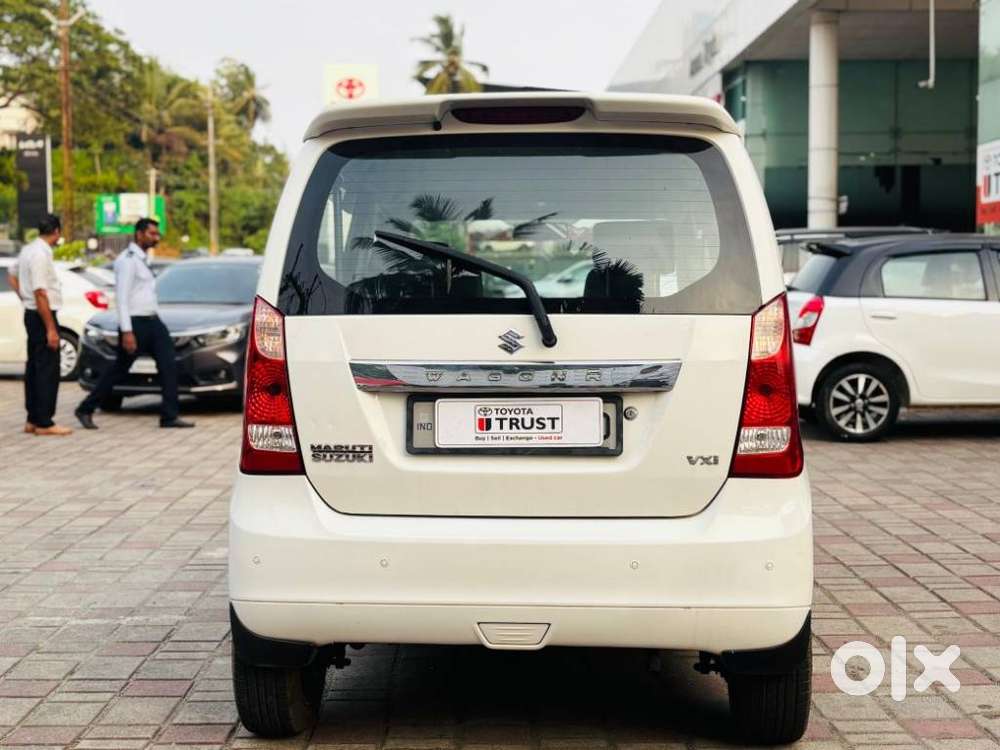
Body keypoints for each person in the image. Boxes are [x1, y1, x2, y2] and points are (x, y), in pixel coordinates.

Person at [75, 218, 194, 430]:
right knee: (120, 369)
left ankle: (169, 416)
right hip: (136, 324)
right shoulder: (127, 261)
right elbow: (121, 298)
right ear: (139, 234)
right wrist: (127, 331)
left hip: (153, 322)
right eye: (151, 234)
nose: (155, 238)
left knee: (168, 366)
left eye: (157, 234)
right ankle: (86, 408)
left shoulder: (142, 260)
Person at [9, 214, 72, 436]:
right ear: (56, 231)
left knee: (35, 368)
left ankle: (33, 419)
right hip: (41, 313)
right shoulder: (40, 254)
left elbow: (11, 274)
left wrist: (23, 298)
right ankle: (45, 422)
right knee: (47, 369)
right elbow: (40, 292)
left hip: (33, 312)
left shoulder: (28, 249)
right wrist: (51, 328)